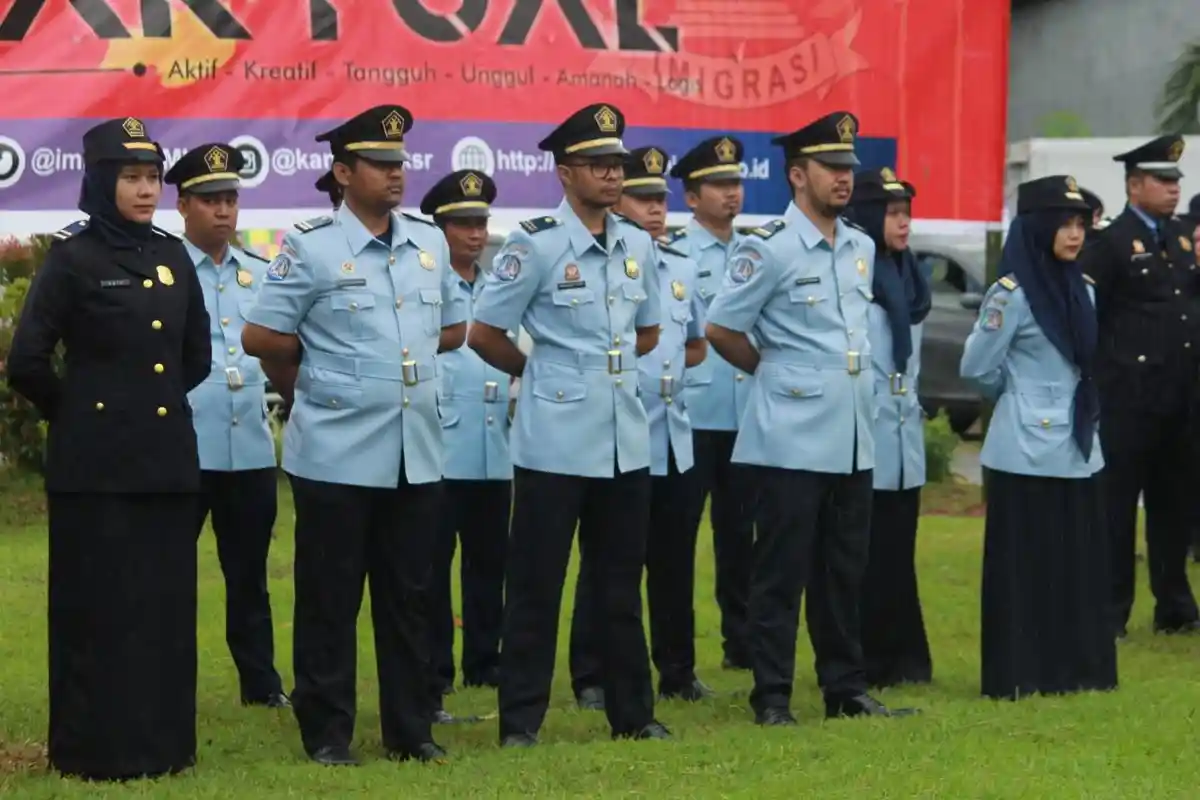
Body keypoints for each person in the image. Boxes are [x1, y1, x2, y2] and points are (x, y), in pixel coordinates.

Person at [241, 104, 468, 766]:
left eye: (400, 163)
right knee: (329, 601)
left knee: (410, 600)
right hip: (336, 453)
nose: (395, 174)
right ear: (343, 171)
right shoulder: (312, 247)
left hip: (415, 451)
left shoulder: (427, 243)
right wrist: (310, 388)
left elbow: (451, 326)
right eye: (379, 163)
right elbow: (264, 337)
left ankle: (410, 727)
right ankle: (327, 732)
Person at [6, 117, 211, 780]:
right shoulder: (72, 258)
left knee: (163, 609)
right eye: (131, 177)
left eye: (152, 177)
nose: (147, 190)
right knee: (97, 611)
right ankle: (92, 749)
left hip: (165, 464)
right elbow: (27, 359)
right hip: (94, 469)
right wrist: (80, 413)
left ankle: (164, 745)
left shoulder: (174, 256)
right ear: (100, 181)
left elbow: (194, 357)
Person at [467, 102, 669, 746]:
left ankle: (633, 715)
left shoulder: (637, 243)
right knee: (535, 587)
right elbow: (483, 332)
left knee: (618, 587)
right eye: (599, 165)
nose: (613, 176)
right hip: (554, 441)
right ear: (564, 172)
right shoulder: (536, 243)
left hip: (623, 440)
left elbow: (650, 329)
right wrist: (542, 372)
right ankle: (520, 722)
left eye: (618, 164)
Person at [704, 111, 916, 725]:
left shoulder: (859, 245)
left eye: (848, 167)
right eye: (830, 167)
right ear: (798, 175)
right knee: (779, 572)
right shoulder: (765, 247)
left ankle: (844, 690)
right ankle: (772, 695)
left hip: (852, 433)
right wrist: (776, 375)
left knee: (843, 571)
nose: (843, 178)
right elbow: (722, 328)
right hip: (789, 437)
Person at [961, 175, 1115, 700]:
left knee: (1076, 559)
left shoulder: (1084, 289)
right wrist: (1025, 395)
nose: (1075, 235)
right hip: (1025, 448)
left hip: (1077, 445)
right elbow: (977, 366)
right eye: (1064, 225)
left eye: (1080, 225)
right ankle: (1023, 671)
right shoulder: (1013, 295)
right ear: (1038, 228)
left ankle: (1076, 668)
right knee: (1025, 565)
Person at [569, 146, 711, 703]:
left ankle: (677, 670)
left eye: (661, 199)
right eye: (643, 198)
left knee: (674, 564)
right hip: (617, 434)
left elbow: (695, 343)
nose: (656, 210)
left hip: (673, 436)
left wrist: (664, 378)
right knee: (609, 564)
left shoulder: (679, 265)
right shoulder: (598, 259)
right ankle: (593, 675)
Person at [163, 143, 289, 710]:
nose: (222, 211)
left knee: (250, 577)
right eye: (210, 200)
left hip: (250, 447)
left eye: (230, 199)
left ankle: (261, 686)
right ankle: (164, 683)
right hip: (185, 446)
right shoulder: (161, 273)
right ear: (183, 205)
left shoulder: (262, 274)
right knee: (166, 574)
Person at [1078, 135, 1199, 637]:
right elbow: (1089, 314)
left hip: (1180, 396)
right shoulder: (1109, 242)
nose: (1173, 189)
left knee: (1174, 504)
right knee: (1117, 507)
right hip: (1129, 396)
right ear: (1133, 185)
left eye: (1176, 181)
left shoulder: (1180, 239)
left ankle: (1174, 605)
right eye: (1162, 180)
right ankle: (1111, 610)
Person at [419, 170, 511, 716]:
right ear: (441, 227)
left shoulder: (498, 282)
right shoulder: (428, 283)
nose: (474, 234)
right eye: (462, 224)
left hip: (494, 447)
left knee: (490, 562)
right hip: (442, 447)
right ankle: (437, 664)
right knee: (433, 564)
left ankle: (486, 657)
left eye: (480, 223)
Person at [664, 135, 756, 672]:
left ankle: (741, 645)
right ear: (692, 197)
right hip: (693, 416)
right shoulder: (676, 254)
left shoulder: (754, 251)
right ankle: (677, 657)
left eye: (736, 184)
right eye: (719, 186)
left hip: (746, 417)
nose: (731, 194)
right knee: (678, 539)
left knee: (741, 538)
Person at [849, 168, 934, 688]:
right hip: (864, 433)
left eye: (907, 213)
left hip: (904, 439)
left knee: (899, 554)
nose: (903, 224)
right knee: (865, 556)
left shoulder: (912, 278)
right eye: (892, 213)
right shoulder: (855, 278)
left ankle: (906, 658)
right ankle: (866, 660)